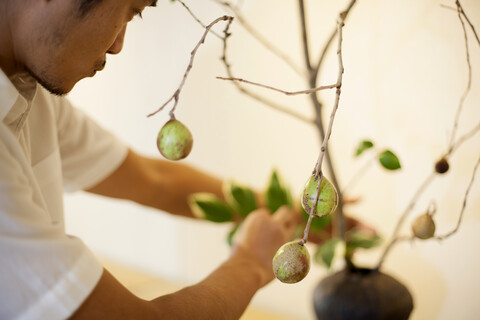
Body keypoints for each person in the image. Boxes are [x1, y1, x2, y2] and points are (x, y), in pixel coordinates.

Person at [0, 0, 298, 319]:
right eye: (132, 9)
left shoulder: (32, 94)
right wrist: (250, 263)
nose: (117, 46)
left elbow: (153, 180)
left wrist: (282, 211)